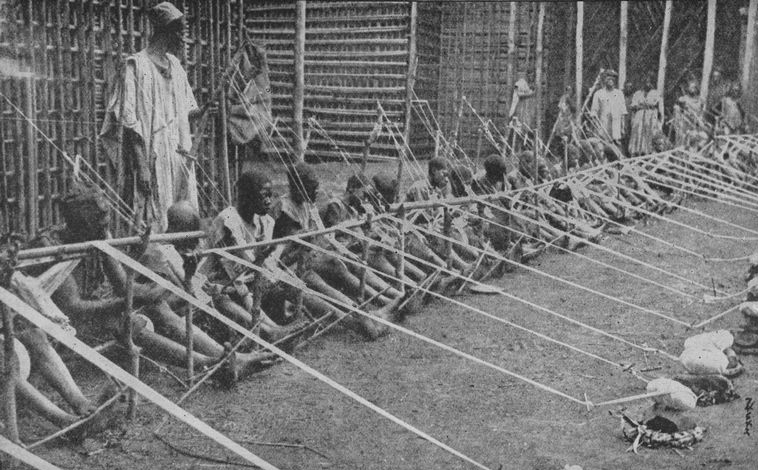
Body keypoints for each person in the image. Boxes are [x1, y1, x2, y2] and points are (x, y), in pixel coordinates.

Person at [40, 186, 274, 386]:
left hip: (98, 311)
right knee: (131, 323)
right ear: (82, 222)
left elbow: (123, 286)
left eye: (106, 220)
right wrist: (130, 300)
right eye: (100, 222)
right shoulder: (56, 248)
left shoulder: (97, 234)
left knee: (157, 307)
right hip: (65, 324)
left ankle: (225, 358)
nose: (106, 227)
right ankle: (209, 364)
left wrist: (151, 292)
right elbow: (74, 309)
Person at [100, 1, 204, 231]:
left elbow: (188, 111)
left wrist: (206, 110)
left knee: (183, 213)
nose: (183, 40)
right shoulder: (136, 67)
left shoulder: (176, 66)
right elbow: (128, 121)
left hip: (179, 158)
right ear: (167, 30)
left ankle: (183, 259)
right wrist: (142, 166)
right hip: (151, 158)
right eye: (180, 32)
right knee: (152, 215)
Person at [590, 70, 627, 148]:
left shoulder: (619, 94)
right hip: (603, 128)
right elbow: (594, 111)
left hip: (616, 128)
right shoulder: (598, 94)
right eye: (608, 78)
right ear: (604, 79)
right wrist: (596, 126)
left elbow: (623, 112)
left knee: (616, 149)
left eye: (613, 78)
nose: (610, 80)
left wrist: (623, 128)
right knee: (602, 148)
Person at [628, 74, 663, 156]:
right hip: (639, 116)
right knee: (638, 133)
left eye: (648, 82)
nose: (647, 84)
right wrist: (638, 106)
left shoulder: (656, 93)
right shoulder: (637, 93)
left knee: (650, 133)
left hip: (650, 116)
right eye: (645, 82)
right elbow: (633, 106)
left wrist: (659, 121)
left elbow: (660, 108)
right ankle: (636, 152)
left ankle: (648, 152)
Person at [673, 79, 705, 146]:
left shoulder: (700, 100)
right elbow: (676, 109)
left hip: (697, 124)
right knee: (684, 141)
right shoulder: (683, 99)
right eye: (691, 87)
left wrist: (700, 119)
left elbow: (701, 112)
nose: (693, 89)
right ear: (688, 88)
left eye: (694, 87)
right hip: (685, 124)